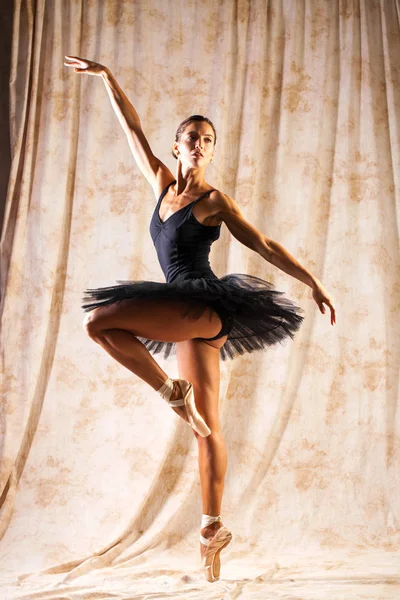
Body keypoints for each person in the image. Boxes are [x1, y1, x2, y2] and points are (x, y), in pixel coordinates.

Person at [64, 55, 337, 583]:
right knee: (206, 427)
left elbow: (265, 244)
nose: (199, 144)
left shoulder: (214, 202)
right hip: (185, 313)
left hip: (205, 307)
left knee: (98, 322)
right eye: (191, 136)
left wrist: (313, 282)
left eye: (207, 139)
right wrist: (108, 79)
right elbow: (134, 132)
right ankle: (214, 528)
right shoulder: (163, 184)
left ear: (211, 149)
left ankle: (171, 394)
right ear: (177, 145)